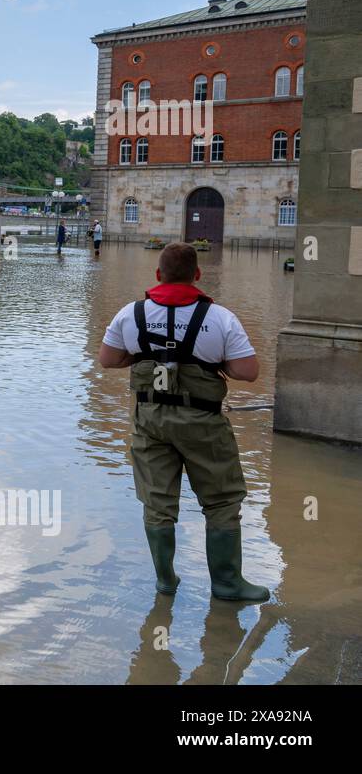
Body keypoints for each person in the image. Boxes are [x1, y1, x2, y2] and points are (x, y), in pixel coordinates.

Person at [97, 242, 268, 602]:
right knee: (221, 502)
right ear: (197, 276)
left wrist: (144, 355)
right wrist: (212, 362)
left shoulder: (131, 314)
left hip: (150, 420)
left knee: (157, 502)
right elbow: (248, 372)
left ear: (158, 275)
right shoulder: (220, 317)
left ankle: (165, 581)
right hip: (202, 421)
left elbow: (108, 360)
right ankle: (226, 584)